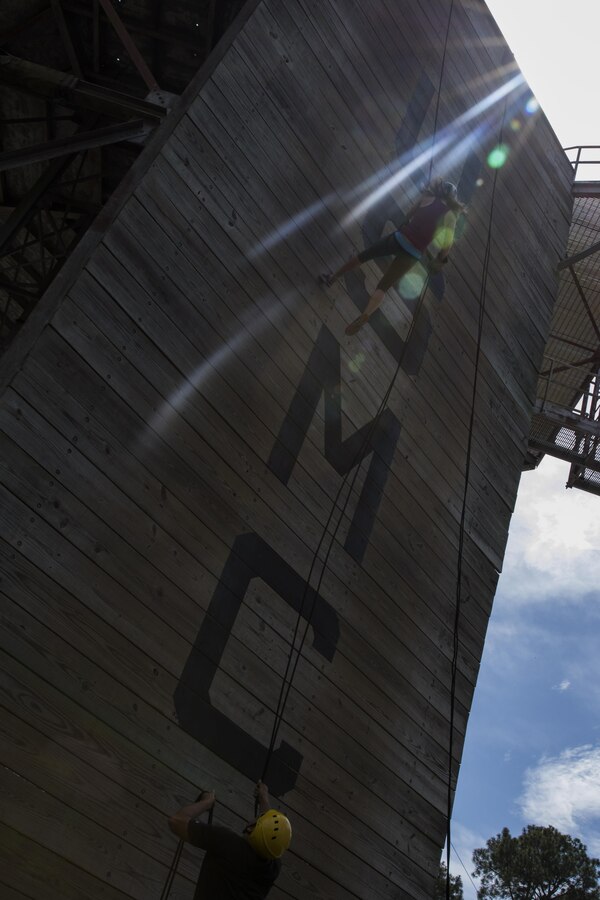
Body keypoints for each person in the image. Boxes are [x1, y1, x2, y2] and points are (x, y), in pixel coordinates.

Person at [320, 178, 465, 335]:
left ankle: (332, 278)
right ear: (452, 198)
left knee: (364, 256)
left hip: (399, 238)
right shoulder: (451, 216)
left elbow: (408, 215)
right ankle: (366, 314)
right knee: (384, 286)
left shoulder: (427, 198)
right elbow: (446, 246)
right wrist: (440, 260)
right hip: (413, 253)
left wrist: (406, 224)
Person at [168, 780, 292, 899]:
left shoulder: (228, 844)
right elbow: (270, 836)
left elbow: (176, 821)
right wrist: (264, 797)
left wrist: (207, 802)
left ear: (251, 829)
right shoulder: (272, 868)